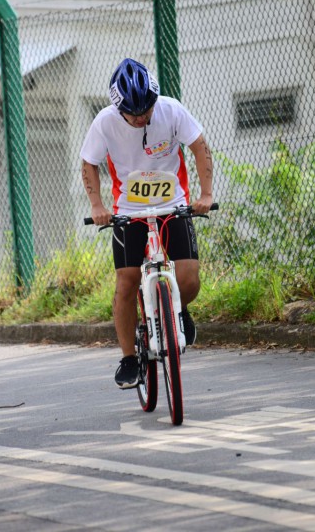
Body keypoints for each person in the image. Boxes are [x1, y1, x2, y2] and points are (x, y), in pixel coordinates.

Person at [80, 58, 213, 389]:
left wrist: (206, 194)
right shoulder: (104, 122)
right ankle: (128, 358)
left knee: (189, 278)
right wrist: (97, 205)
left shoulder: (171, 110)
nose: (141, 118)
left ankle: (177, 310)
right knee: (126, 282)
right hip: (129, 211)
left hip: (173, 205)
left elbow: (199, 146)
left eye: (147, 110)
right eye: (133, 113)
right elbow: (88, 162)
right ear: (119, 109)